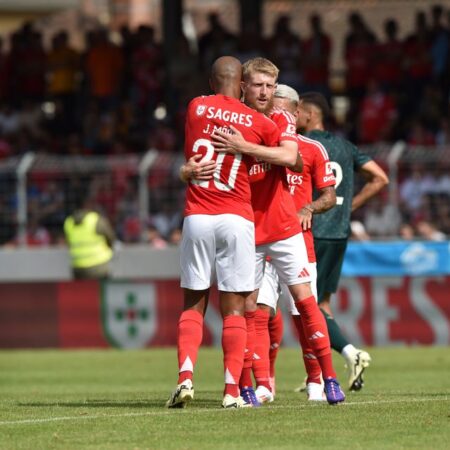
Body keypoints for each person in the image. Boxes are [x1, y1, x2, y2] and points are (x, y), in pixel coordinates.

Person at [213, 58, 345, 406]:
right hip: (246, 228)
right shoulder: (230, 120)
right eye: (258, 85)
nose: (265, 92)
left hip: (284, 227)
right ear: (243, 86)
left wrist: (244, 148)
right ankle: (249, 387)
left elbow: (291, 158)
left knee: (305, 301)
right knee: (249, 309)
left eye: (270, 86)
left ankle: (328, 379)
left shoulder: (281, 118)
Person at [166, 56, 283, 409]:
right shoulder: (258, 121)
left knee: (193, 303)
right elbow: (283, 153)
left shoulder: (196, 106)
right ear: (242, 82)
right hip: (236, 217)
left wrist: (187, 171)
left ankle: (185, 377)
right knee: (233, 309)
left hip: (198, 214)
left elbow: (189, 157)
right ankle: (232, 391)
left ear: (212, 80)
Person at [296, 92, 389, 391]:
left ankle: (352, 353)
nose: (292, 117)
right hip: (339, 232)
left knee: (308, 305)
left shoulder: (305, 145)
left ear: (310, 115)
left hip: (315, 229)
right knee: (322, 303)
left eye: (297, 112)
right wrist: (348, 206)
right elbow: (380, 178)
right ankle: (326, 371)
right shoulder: (346, 146)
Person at [254, 84, 337, 402]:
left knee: (304, 314)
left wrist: (308, 207)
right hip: (262, 239)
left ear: (290, 110)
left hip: (297, 241)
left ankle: (317, 380)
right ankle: (265, 382)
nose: (269, 113)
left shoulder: (313, 150)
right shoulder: (257, 145)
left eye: (275, 107)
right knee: (262, 312)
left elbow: (329, 196)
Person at [63, 190, 115, 279]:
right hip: (99, 267)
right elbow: (111, 238)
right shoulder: (95, 220)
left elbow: (68, 243)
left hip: (78, 268)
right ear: (87, 204)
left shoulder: (68, 222)